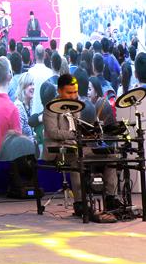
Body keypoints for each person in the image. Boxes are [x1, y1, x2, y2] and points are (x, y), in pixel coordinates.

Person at [43, 74, 118, 222]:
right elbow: (52, 132)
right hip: (59, 150)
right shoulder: (50, 108)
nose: (73, 96)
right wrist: (74, 135)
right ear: (59, 91)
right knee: (77, 158)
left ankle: (110, 198)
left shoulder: (76, 107)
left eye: (75, 92)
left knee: (111, 155)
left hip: (77, 146)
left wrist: (88, 133)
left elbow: (78, 130)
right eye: (69, 92)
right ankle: (79, 203)